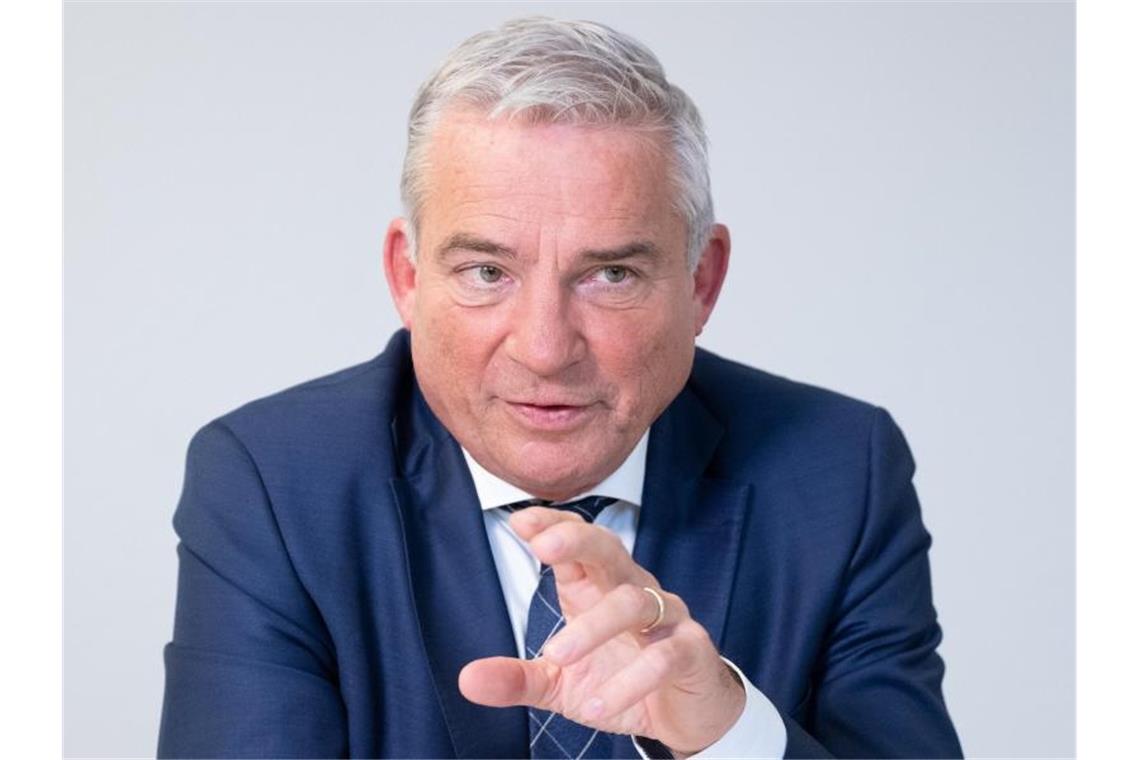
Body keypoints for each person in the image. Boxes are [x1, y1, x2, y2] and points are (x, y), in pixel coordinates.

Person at [157, 16, 962, 759]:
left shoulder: (840, 473)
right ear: (408, 276)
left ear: (701, 282)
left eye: (611, 274)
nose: (545, 350)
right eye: (487, 272)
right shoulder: (273, 481)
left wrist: (725, 733)